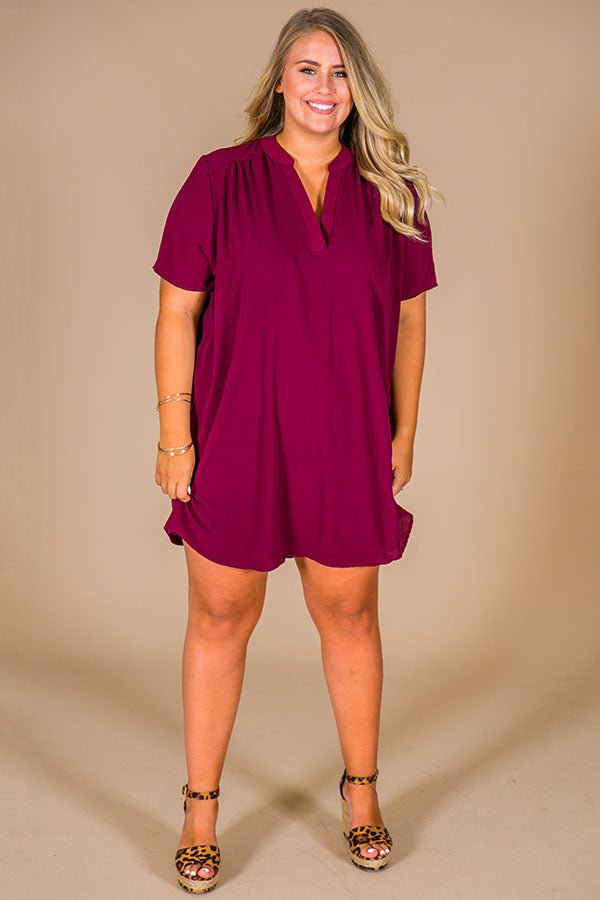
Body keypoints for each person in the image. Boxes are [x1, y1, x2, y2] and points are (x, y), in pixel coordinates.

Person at [152, 7, 440, 893]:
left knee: (350, 616)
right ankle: (201, 808)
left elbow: (411, 321)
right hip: (235, 433)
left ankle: (362, 792)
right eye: (309, 69)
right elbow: (177, 311)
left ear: (359, 90)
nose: (325, 87)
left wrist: (403, 430)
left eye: (342, 72)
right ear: (279, 80)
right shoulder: (219, 179)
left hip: (345, 437)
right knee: (219, 617)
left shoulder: (393, 193)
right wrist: (175, 435)